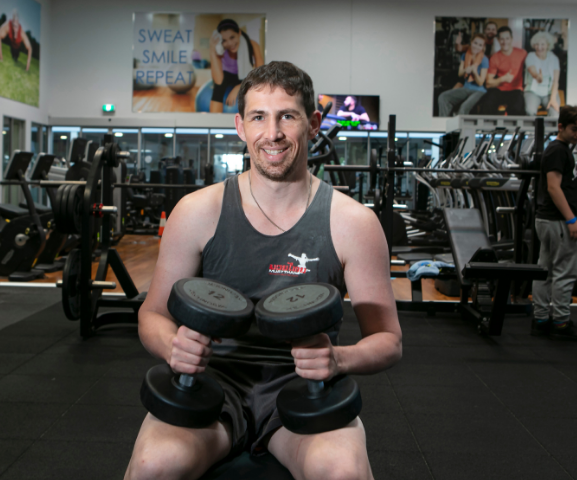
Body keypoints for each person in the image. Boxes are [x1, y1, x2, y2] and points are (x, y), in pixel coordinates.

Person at [125, 61, 402, 480]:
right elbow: (152, 316)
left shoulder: (353, 223)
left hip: (302, 393)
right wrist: (171, 347)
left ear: (312, 123)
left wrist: (338, 359)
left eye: (287, 116)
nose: (272, 134)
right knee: (152, 465)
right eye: (258, 117)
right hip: (211, 387)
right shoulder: (199, 211)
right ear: (240, 126)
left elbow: (388, 340)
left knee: (343, 471)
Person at [532, 105, 577, 340]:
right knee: (564, 273)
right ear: (560, 127)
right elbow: (553, 187)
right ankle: (560, 321)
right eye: (574, 129)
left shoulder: (560, 149)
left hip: (548, 220)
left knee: (545, 271)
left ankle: (540, 319)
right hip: (557, 221)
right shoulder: (558, 151)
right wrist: (571, 218)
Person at [209, 19, 264, 113]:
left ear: (239, 32)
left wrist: (238, 87)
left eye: (232, 37)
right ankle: (212, 123)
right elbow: (218, 80)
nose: (230, 43)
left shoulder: (252, 45)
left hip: (245, 76)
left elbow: (261, 73)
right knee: (218, 89)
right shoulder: (220, 50)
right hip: (226, 75)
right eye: (224, 40)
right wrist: (212, 50)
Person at [476, 26, 527, 115]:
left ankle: (514, 129)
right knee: (487, 105)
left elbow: (532, 67)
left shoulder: (522, 53)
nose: (505, 42)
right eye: (502, 39)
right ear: (498, 40)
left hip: (516, 90)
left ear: (511, 39)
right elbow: (488, 84)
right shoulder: (495, 57)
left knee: (517, 108)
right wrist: (503, 79)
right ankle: (488, 129)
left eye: (507, 38)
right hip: (499, 90)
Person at [438, 33, 488, 116]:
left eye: (480, 45)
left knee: (463, 108)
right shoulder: (465, 55)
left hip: (479, 91)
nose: (476, 46)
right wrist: (466, 70)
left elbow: (480, 82)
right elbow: (460, 74)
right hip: (466, 88)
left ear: (483, 47)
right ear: (471, 42)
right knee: (443, 97)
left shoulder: (484, 59)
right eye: (475, 43)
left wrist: (474, 72)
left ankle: (460, 128)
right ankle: (444, 124)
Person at [524, 31, 561, 117]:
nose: (539, 47)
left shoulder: (554, 58)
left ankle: (549, 131)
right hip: (532, 91)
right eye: (537, 44)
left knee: (555, 113)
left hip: (549, 92)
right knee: (530, 111)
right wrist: (538, 77)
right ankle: (532, 130)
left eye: (542, 44)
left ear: (548, 45)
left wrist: (553, 99)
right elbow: (533, 72)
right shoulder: (530, 56)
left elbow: (555, 81)